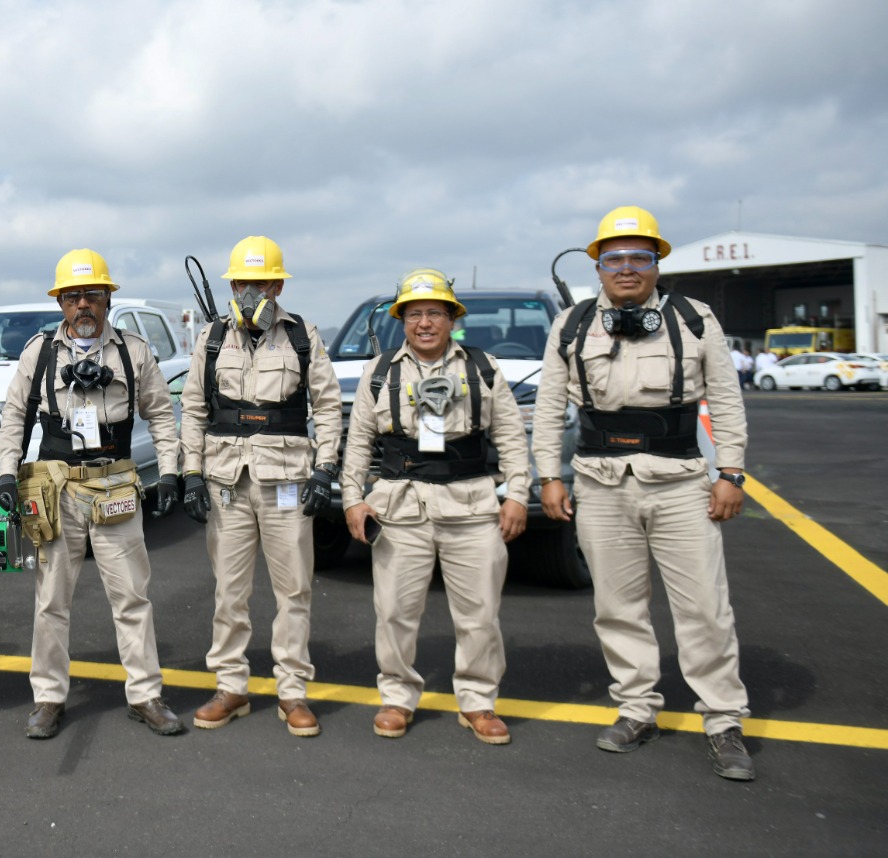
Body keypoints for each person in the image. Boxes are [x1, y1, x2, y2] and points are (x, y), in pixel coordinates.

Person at [533, 206, 755, 781]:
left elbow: (727, 402)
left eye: (639, 258)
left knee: (704, 607)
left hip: (681, 484)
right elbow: (550, 408)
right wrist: (548, 477)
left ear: (657, 264)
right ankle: (636, 710)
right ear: (598, 267)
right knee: (617, 606)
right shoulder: (574, 324)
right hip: (601, 485)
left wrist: (730, 473)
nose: (627, 268)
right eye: (614, 259)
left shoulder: (695, 318)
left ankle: (724, 720)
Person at [0, 249, 185, 739]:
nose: (84, 305)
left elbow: (162, 415)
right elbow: (14, 416)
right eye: (74, 296)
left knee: (132, 598)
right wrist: (4, 475)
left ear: (107, 300)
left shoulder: (132, 351)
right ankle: (49, 698)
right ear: (60, 302)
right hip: (56, 491)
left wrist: (170, 473)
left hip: (116, 485)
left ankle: (145, 695)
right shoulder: (40, 352)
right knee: (52, 601)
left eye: (93, 296)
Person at [341, 268, 530, 745]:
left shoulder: (483, 368)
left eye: (435, 313)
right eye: (415, 314)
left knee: (480, 612)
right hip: (400, 508)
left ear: (452, 320)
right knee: (396, 611)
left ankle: (479, 701)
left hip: (471, 507)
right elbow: (358, 442)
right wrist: (353, 500)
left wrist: (518, 495)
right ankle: (398, 696)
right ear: (401, 321)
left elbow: (510, 435)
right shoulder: (379, 372)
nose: (425, 323)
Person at [179, 236, 343, 737]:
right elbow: (192, 408)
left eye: (261, 282)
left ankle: (292, 692)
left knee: (293, 590)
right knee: (229, 593)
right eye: (243, 282)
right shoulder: (211, 340)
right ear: (232, 285)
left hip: (286, 484)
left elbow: (329, 406)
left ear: (277, 284)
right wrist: (189, 472)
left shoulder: (302, 337)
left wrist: (325, 470)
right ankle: (231, 687)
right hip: (227, 482)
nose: (251, 291)